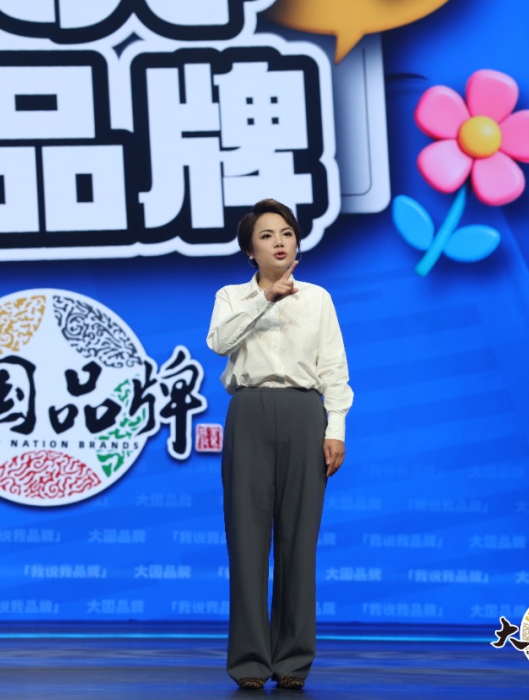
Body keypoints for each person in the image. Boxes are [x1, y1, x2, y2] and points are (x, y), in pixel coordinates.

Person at [206, 198, 353, 690]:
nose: (280, 242)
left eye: (287, 233)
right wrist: (264, 299)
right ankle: (249, 660)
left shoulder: (318, 298)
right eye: (267, 236)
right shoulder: (232, 296)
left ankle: (293, 658)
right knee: (246, 541)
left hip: (304, 413)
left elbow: (334, 368)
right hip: (249, 411)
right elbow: (218, 343)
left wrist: (335, 428)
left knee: (298, 542)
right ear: (251, 250)